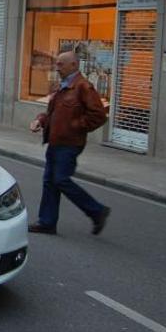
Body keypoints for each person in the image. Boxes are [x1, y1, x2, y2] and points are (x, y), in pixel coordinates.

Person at [28, 51, 111, 235]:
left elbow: (98, 116)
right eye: (57, 64)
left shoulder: (83, 87)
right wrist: (40, 121)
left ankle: (97, 211)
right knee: (50, 181)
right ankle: (47, 222)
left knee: (60, 180)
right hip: (55, 141)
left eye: (61, 64)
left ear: (74, 65)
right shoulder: (62, 87)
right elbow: (52, 114)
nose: (57, 68)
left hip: (70, 143)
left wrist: (76, 126)